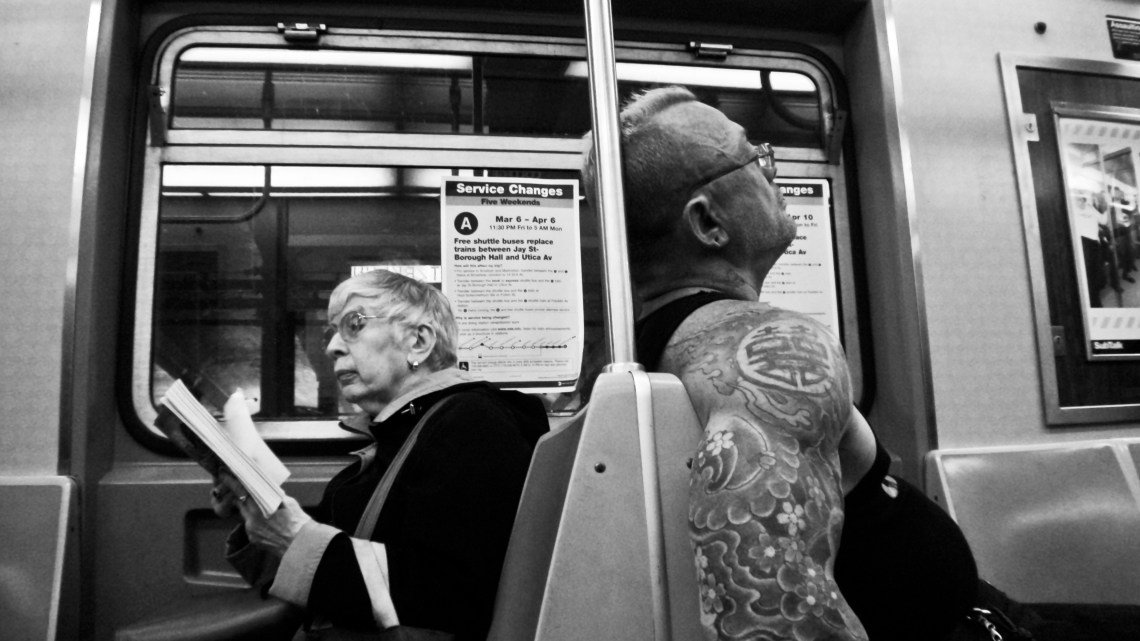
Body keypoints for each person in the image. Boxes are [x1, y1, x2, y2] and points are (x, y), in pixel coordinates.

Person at [581, 86, 978, 641]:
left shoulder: (622, 354)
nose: (772, 173)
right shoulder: (769, 343)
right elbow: (774, 613)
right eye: (753, 158)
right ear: (709, 222)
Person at [210, 269, 549, 640]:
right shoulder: (398, 436)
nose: (331, 347)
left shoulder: (471, 424)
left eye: (354, 325)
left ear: (418, 342)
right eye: (331, 332)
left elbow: (450, 595)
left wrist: (294, 538)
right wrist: (259, 517)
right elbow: (329, 563)